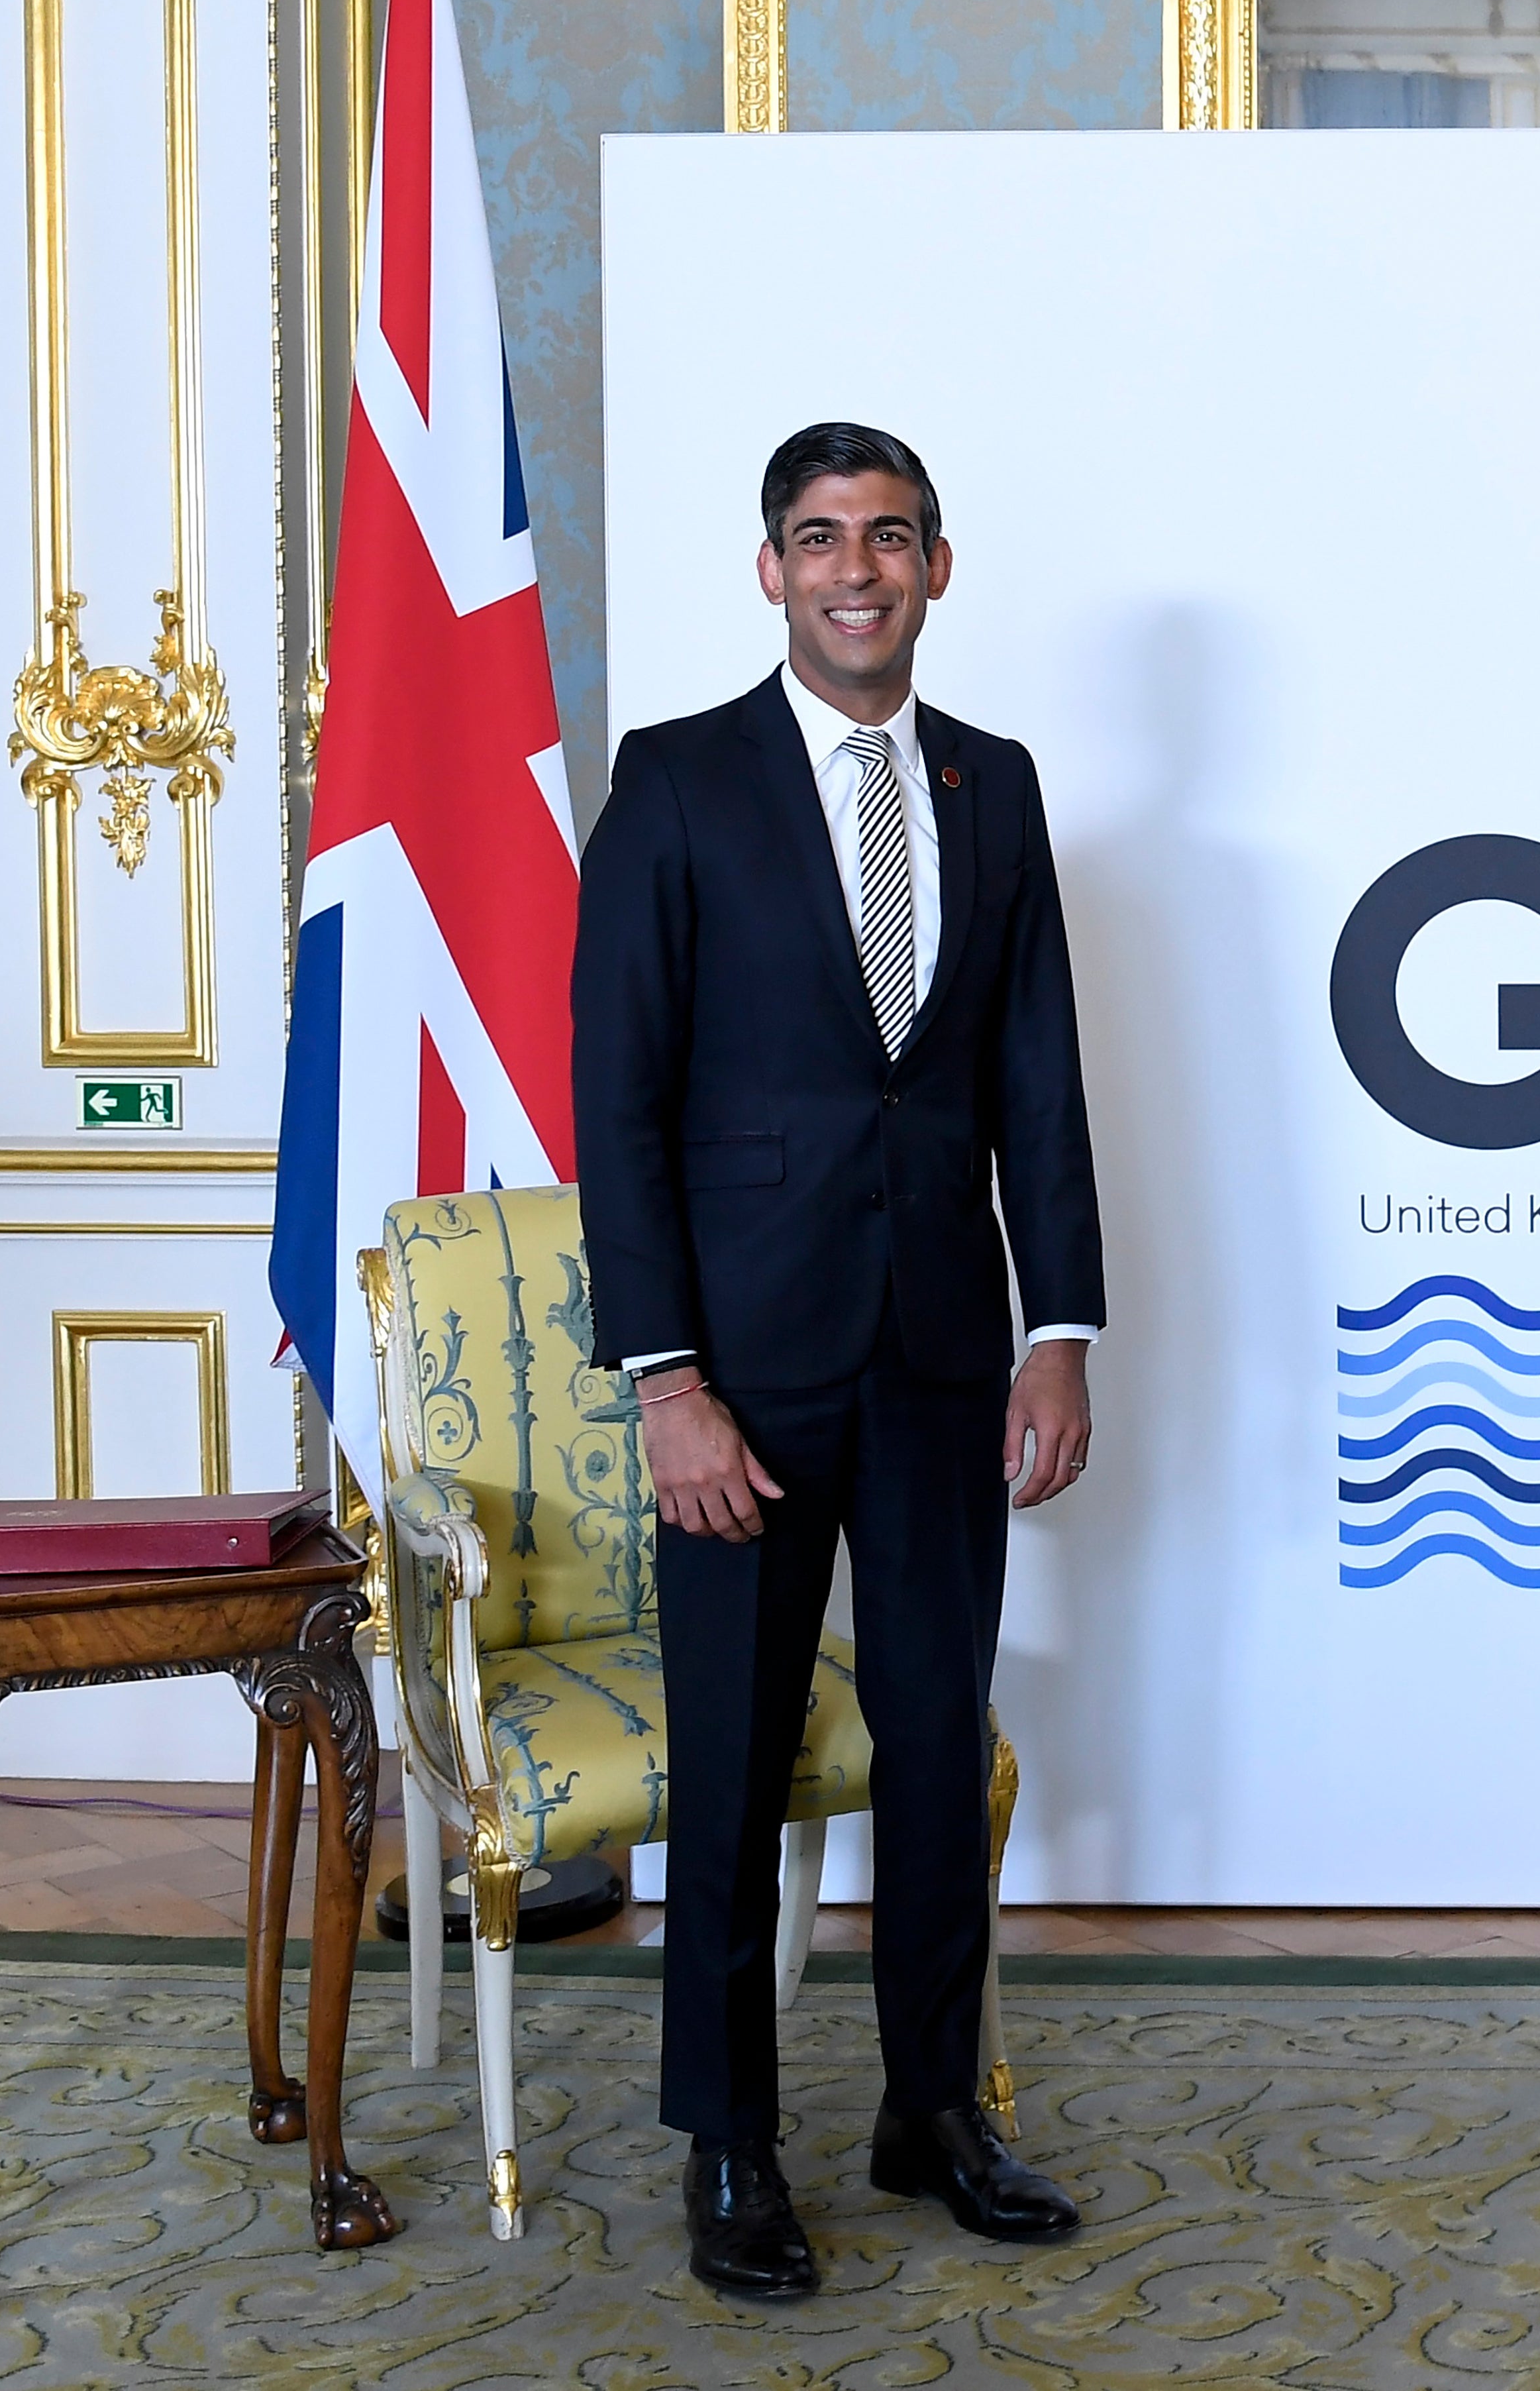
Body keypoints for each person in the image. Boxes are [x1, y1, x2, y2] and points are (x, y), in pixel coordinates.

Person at [574, 421, 1105, 2300]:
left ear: (938, 566)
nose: (856, 569)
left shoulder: (996, 782)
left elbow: (1029, 1074)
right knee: (731, 1760)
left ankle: (933, 2110)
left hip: (949, 1356)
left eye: (889, 537)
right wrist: (666, 1381)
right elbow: (618, 1107)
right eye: (819, 539)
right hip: (743, 1369)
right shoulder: (678, 783)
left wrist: (1058, 1329)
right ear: (771, 571)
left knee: (938, 1746)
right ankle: (730, 2144)